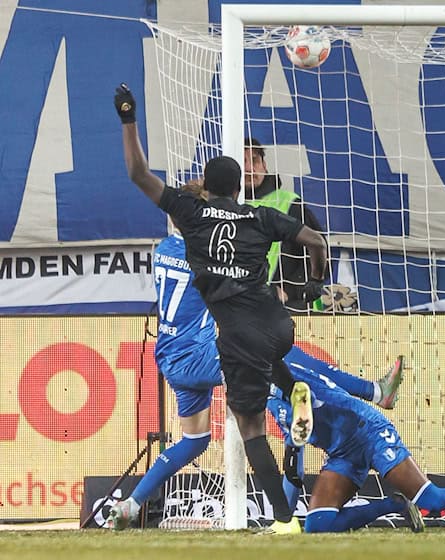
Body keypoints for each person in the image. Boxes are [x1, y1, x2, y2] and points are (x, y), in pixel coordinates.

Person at [106, 181, 404, 530]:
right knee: (286, 358)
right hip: (198, 355)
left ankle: (131, 503)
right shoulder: (204, 254)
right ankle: (349, 395)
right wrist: (310, 294)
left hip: (170, 356)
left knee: (194, 440)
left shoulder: (165, 249)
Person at [115, 83, 327, 533]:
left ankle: (136, 505)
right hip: (251, 331)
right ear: (239, 187)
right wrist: (312, 286)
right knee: (267, 385)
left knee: (221, 433)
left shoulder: (176, 239)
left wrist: (128, 118)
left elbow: (138, 174)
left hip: (177, 354)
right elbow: (314, 239)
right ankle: (299, 402)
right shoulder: (258, 217)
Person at [268, 360, 445, 534]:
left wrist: (284, 517)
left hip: (369, 432)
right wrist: (284, 519)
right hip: (341, 453)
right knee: (319, 525)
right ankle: (393, 505)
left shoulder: (292, 378)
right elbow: (296, 459)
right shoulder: (267, 400)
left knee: (431, 500)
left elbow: (318, 401)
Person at [243, 138, 341, 312]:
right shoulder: (223, 206)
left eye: (255, 160)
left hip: (286, 310)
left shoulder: (289, 203)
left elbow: (320, 248)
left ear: (265, 165)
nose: (250, 169)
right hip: (240, 308)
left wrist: (293, 291)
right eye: (243, 162)